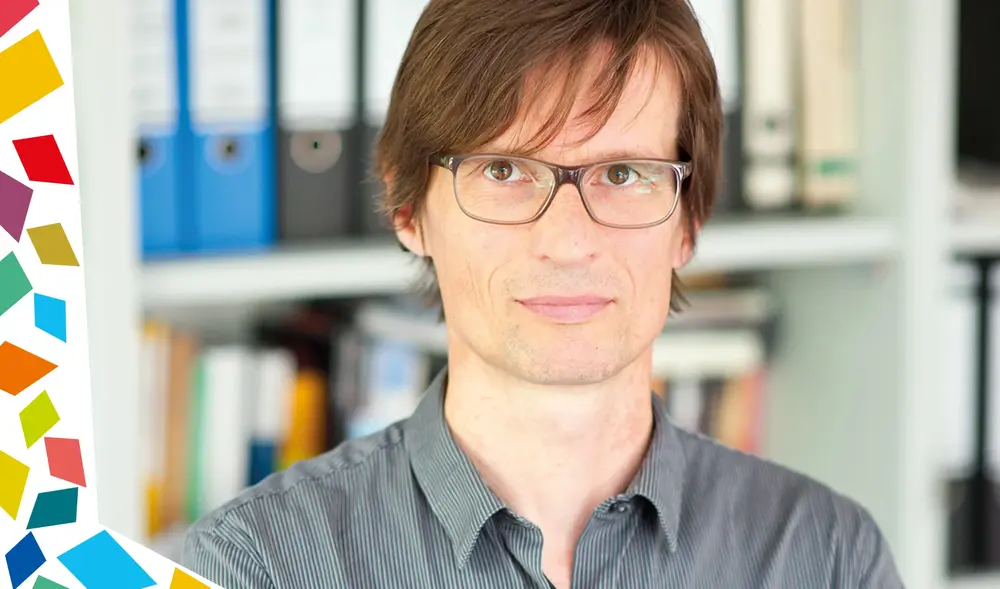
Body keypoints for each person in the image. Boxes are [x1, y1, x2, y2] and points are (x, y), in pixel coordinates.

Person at [181, 0, 904, 587]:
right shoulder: (252, 565)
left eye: (623, 174)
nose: (567, 240)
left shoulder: (828, 556)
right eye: (504, 171)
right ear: (407, 209)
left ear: (689, 222)